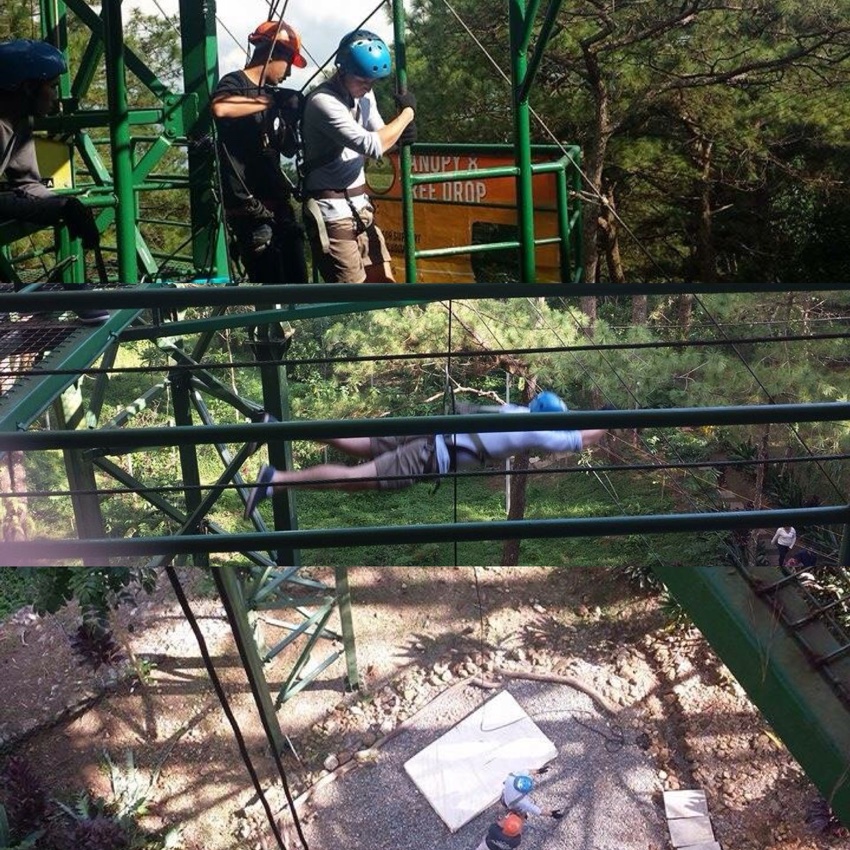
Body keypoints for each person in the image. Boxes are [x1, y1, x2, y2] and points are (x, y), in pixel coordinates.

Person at [243, 391, 606, 518]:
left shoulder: (520, 412)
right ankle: (277, 480)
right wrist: (613, 421)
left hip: (431, 432)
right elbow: (578, 440)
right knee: (357, 479)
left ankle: (277, 425)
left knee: (358, 440)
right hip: (433, 454)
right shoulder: (535, 428)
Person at [0, 39, 109, 324]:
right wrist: (57, 209)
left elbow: (25, 183)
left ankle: (78, 300)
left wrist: (66, 205)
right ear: (27, 87)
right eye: (52, 86)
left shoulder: (18, 121)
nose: (55, 97)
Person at [300, 29, 416, 283]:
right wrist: (407, 114)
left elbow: (383, 137)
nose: (368, 86)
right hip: (332, 211)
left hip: (361, 207)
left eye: (372, 81)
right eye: (362, 80)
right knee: (351, 297)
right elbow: (372, 145)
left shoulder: (364, 95)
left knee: (384, 281)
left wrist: (400, 136)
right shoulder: (323, 102)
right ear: (342, 71)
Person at [211, 20, 308, 284]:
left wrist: (289, 118)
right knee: (269, 290)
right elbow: (221, 108)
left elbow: (286, 149)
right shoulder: (235, 83)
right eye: (288, 64)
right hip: (251, 211)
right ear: (274, 53)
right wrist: (270, 101)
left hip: (276, 206)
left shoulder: (269, 94)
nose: (287, 74)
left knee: (298, 286)